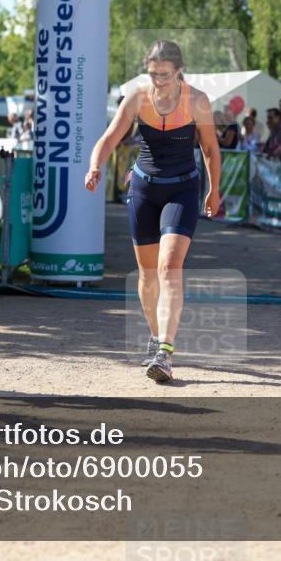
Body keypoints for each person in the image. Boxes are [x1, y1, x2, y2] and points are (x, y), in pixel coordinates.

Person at [84, 40, 220, 384]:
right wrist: (94, 166)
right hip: (144, 189)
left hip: (183, 188)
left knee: (169, 266)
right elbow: (110, 137)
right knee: (146, 274)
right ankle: (156, 335)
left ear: (178, 71)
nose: (158, 79)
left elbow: (210, 149)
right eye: (152, 73)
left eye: (164, 74)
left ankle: (165, 351)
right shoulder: (138, 99)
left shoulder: (197, 101)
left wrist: (214, 189)